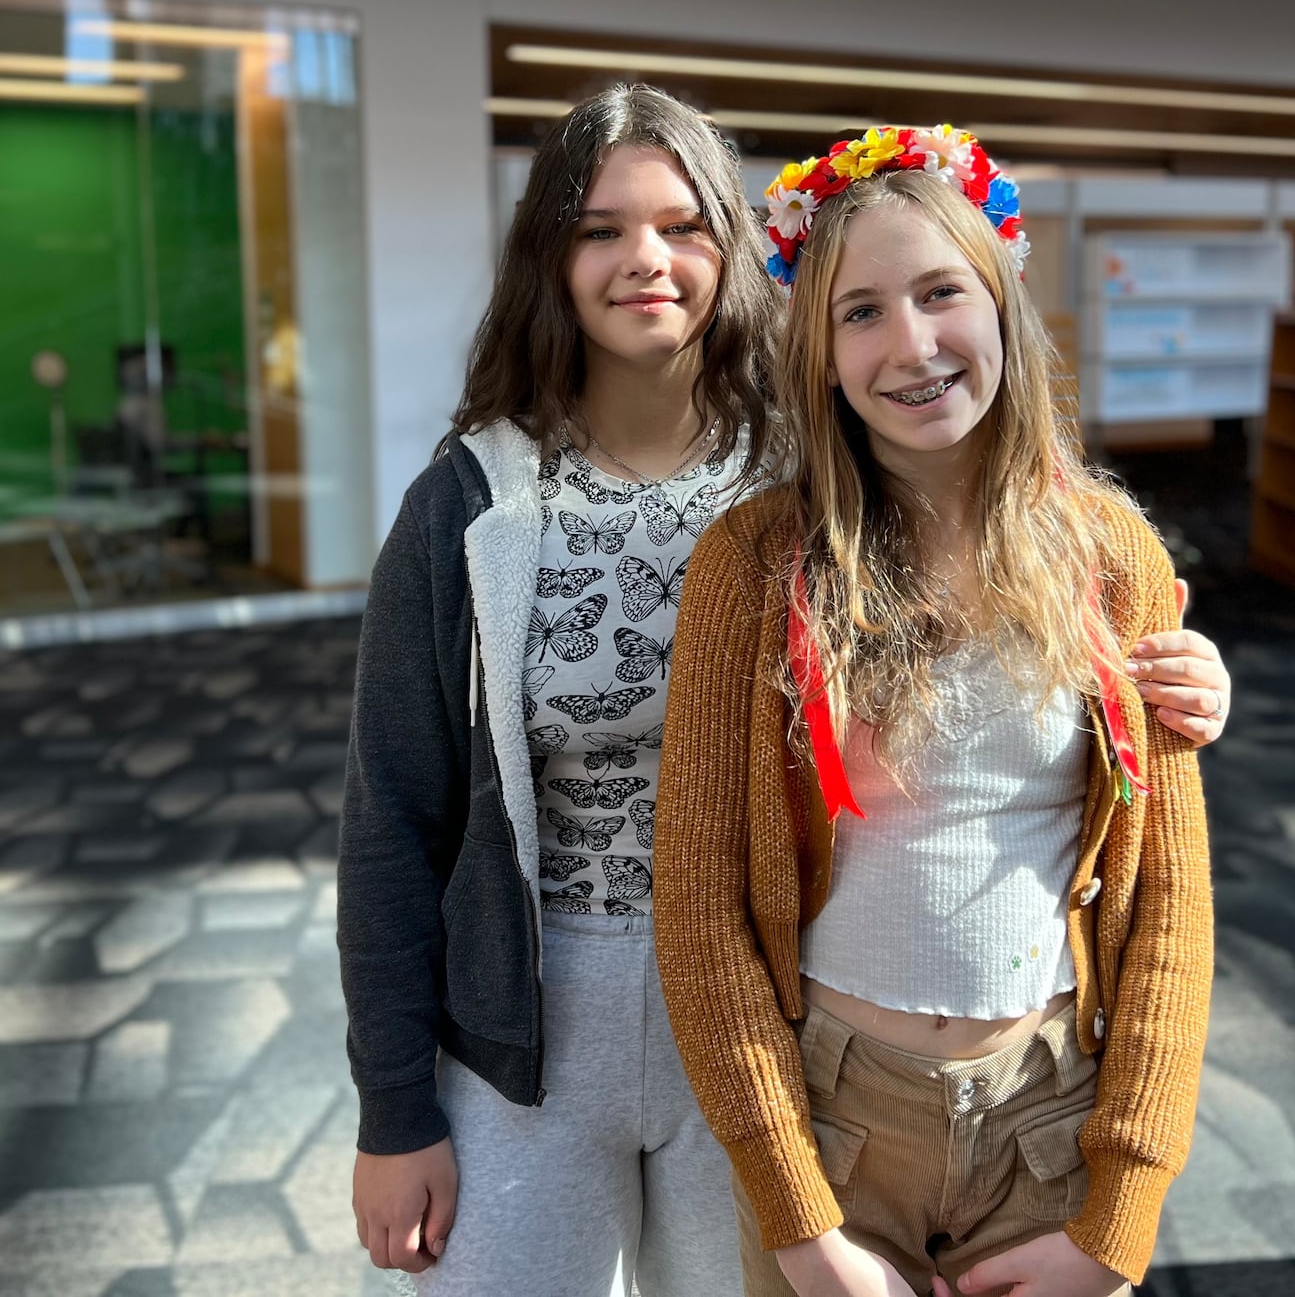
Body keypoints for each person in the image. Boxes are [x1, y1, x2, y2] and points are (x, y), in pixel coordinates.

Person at [339, 90, 1226, 1296]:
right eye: (598, 229)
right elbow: (393, 813)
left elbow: (1033, 671)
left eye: (682, 224)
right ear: (546, 257)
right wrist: (393, 1107)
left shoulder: (818, 467)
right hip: (540, 1014)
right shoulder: (481, 506)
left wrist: (1180, 679)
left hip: (785, 1010)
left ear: (736, 253)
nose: (643, 259)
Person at [654, 126, 1212, 1297]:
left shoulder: (1110, 557)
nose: (909, 344)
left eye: (938, 291)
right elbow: (701, 905)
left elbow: (1170, 898)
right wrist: (799, 1223)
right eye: (859, 312)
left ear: (1000, 301)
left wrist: (1120, 1221)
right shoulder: (754, 563)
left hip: (1050, 1114)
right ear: (818, 353)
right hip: (834, 1123)